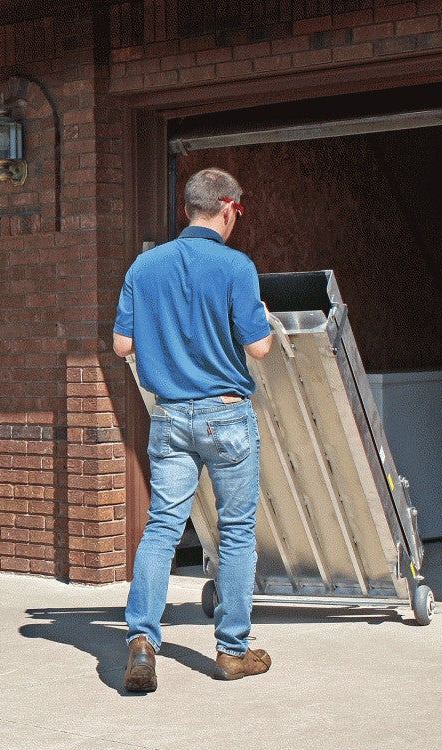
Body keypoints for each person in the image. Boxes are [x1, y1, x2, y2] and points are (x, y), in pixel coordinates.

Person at [113, 167, 273, 692]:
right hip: (226, 417)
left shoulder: (144, 266)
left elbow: (122, 346)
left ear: (187, 210)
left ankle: (141, 639)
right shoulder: (236, 266)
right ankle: (232, 650)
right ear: (227, 208)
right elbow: (259, 349)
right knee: (235, 533)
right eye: (238, 212)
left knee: (162, 528)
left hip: (171, 416)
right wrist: (262, 320)